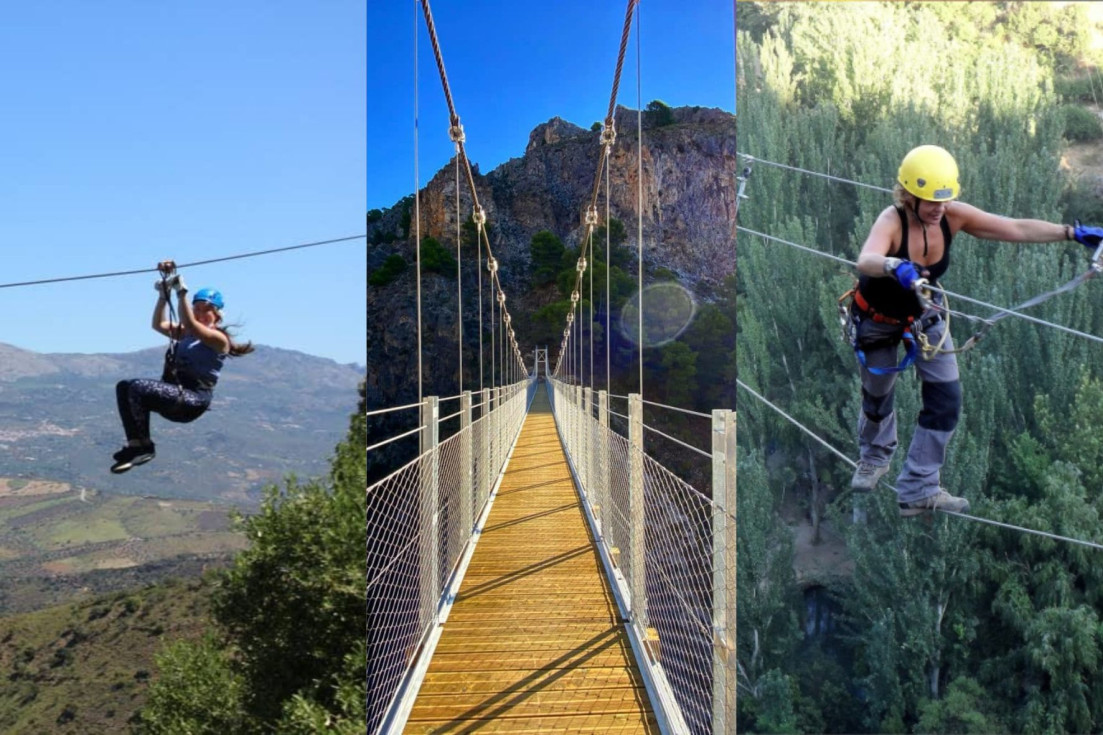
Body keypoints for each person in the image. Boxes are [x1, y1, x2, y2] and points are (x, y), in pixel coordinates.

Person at [849, 144, 1103, 516]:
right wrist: (893, 265)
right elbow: (866, 259)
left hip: (924, 317)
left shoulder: (952, 217)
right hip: (877, 322)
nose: (939, 208)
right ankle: (874, 457)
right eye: (930, 201)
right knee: (877, 399)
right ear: (908, 196)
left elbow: (1014, 228)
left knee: (946, 400)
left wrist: (1072, 232)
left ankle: (919, 487)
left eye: (945, 200)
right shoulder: (892, 220)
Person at [110, 262, 254, 473]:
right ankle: (136, 446)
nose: (200, 313)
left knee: (137, 387)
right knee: (125, 386)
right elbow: (158, 325)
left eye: (207, 310)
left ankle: (145, 447)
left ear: (218, 314)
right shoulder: (187, 334)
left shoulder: (218, 340)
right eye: (197, 309)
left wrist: (181, 293)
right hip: (176, 398)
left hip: (192, 400)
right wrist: (162, 295)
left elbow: (191, 324)